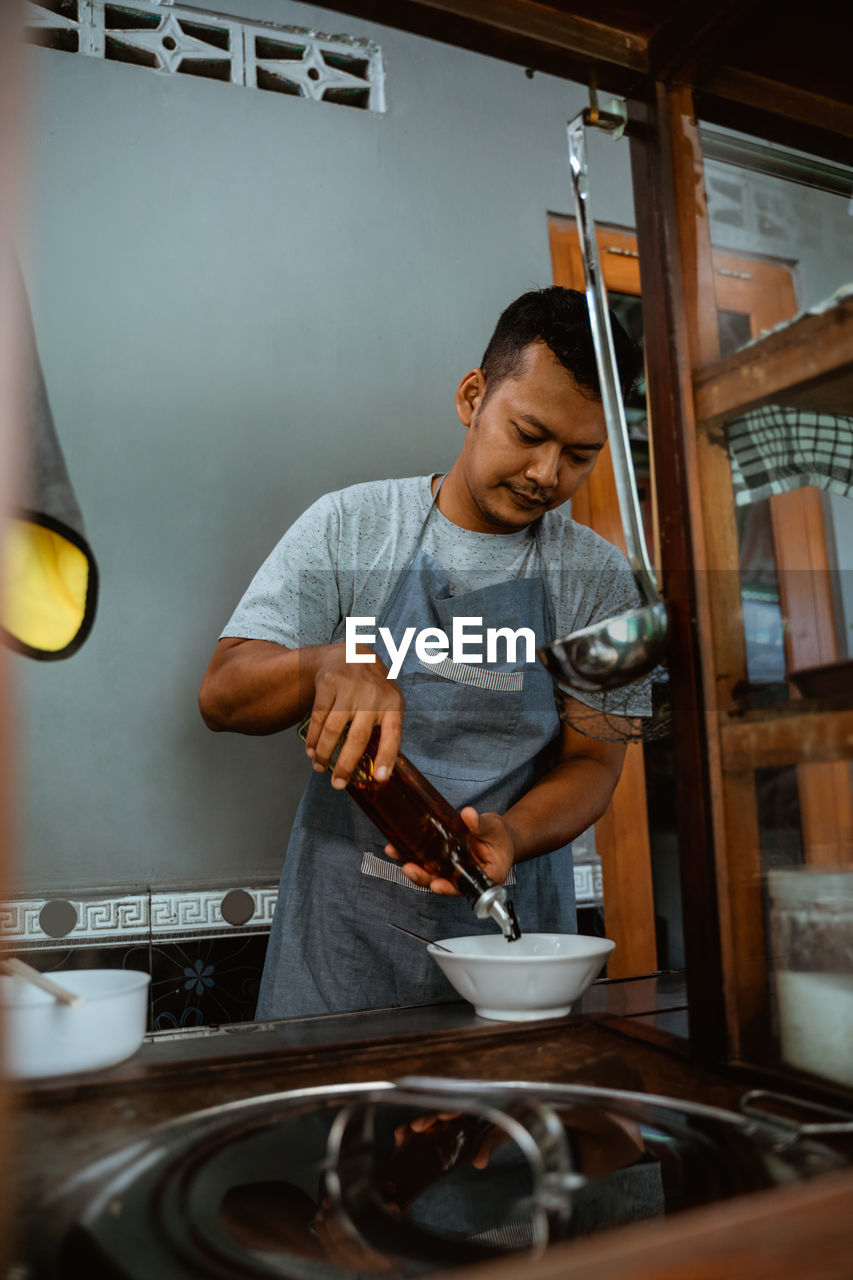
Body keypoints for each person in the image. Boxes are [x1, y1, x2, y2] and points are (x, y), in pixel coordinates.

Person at [199, 287, 644, 1019]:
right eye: (528, 433)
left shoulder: (600, 584)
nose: (545, 473)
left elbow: (594, 765)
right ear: (472, 397)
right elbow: (221, 695)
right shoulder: (349, 527)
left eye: (579, 456)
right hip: (341, 943)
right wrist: (324, 665)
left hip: (510, 944)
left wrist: (512, 834)